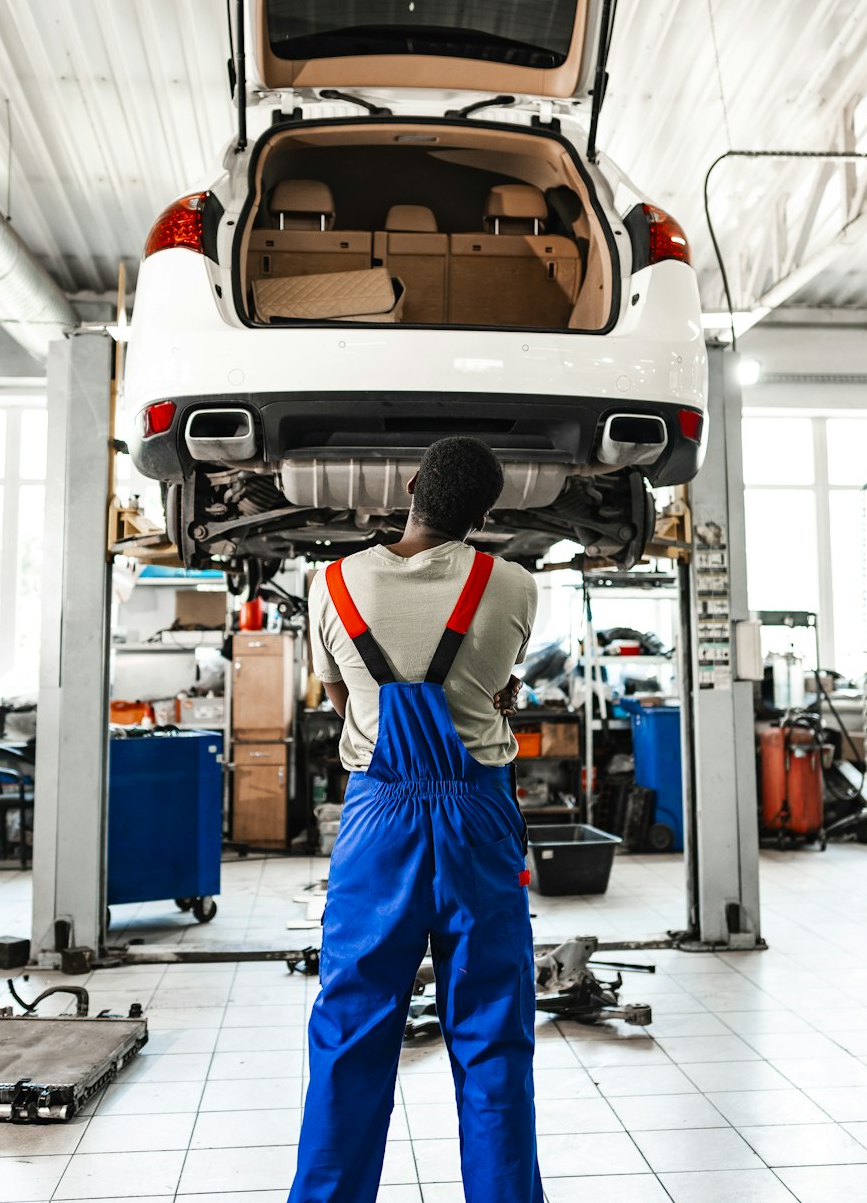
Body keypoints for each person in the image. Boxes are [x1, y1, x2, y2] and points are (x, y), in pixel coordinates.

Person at [289, 436, 542, 1203]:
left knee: (351, 1031)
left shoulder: (327, 583)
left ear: (407, 486)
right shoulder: (515, 585)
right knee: (493, 1036)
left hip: (377, 817)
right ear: (486, 514)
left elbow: (341, 702)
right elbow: (497, 683)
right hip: (478, 817)